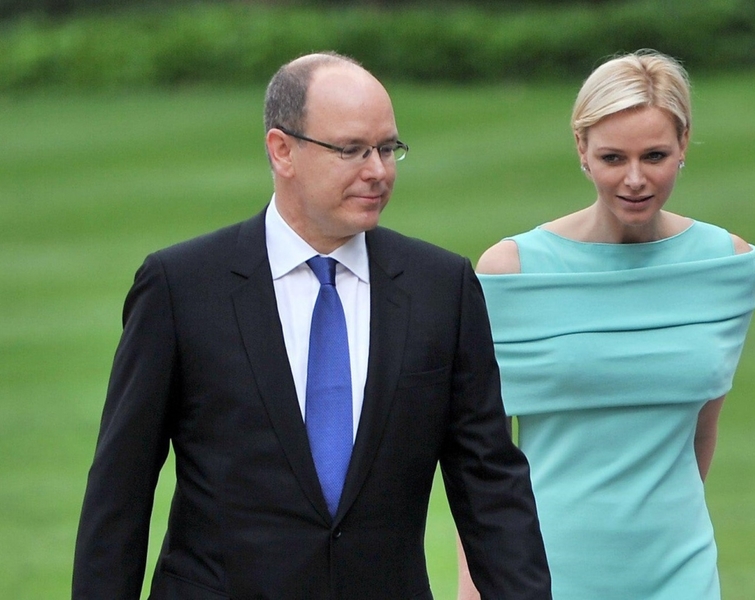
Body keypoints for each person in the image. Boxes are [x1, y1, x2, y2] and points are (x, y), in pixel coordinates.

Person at [72, 51, 551, 600]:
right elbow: (120, 491)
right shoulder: (180, 287)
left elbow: (491, 488)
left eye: (388, 148)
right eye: (351, 150)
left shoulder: (442, 288)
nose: (378, 170)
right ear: (283, 151)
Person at [457, 49, 755, 599]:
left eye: (655, 155)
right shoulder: (511, 271)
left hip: (681, 572)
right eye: (613, 158)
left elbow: (701, 428)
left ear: (684, 144)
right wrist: (474, 587)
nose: (636, 179)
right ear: (582, 149)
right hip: (544, 571)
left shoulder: (728, 265)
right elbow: (480, 457)